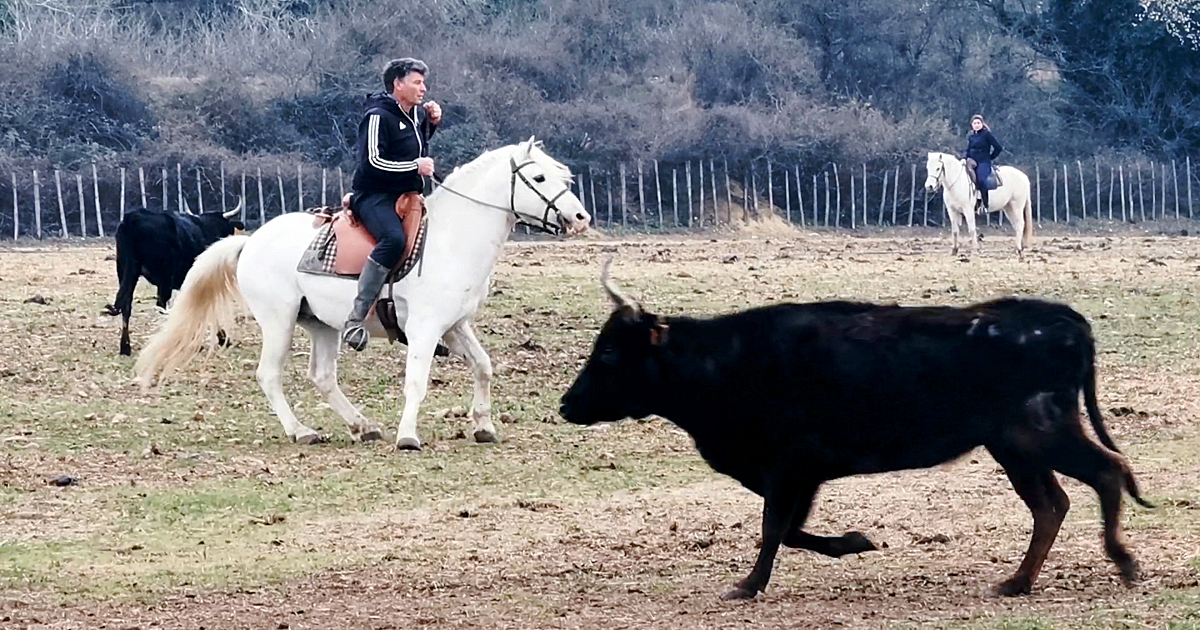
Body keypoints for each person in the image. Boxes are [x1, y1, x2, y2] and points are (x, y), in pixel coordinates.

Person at [344, 57, 442, 351]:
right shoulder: (377, 116)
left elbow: (409, 147)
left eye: (423, 82)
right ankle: (356, 318)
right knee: (393, 240)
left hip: (407, 198)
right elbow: (372, 161)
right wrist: (415, 166)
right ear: (398, 84)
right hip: (374, 196)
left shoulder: (412, 116)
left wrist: (430, 125)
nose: (423, 88)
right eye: (417, 82)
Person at [964, 114, 1003, 213]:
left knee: (981, 180)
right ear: (972, 125)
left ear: (982, 124)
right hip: (972, 160)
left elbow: (998, 147)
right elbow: (968, 149)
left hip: (983, 161)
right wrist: (965, 158)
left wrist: (990, 157)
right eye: (974, 123)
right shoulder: (971, 136)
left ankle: (985, 204)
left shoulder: (987, 135)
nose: (976, 125)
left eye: (978, 123)